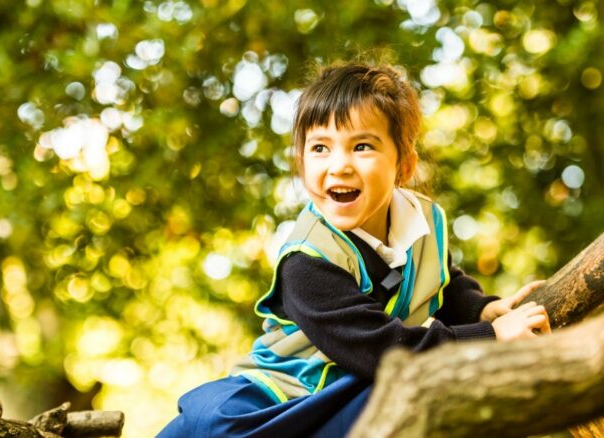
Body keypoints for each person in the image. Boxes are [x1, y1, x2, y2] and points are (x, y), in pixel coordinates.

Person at [159, 62, 551, 437]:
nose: (339, 165)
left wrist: (482, 308)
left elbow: (442, 283)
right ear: (301, 162)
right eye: (320, 148)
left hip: (361, 382)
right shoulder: (307, 261)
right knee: (216, 429)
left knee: (420, 399)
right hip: (293, 391)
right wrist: (488, 336)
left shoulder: (423, 220)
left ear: (405, 164)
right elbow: (382, 350)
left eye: (362, 146)